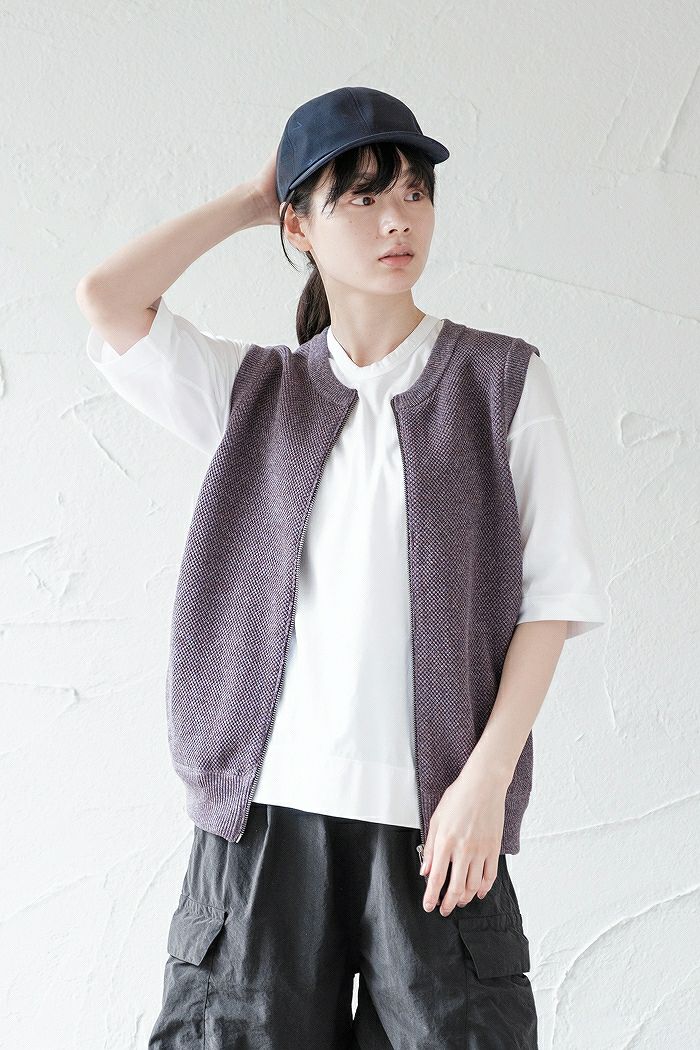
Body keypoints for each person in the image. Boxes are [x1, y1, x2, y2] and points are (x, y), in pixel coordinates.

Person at [77, 87, 608, 1049]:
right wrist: (254, 200)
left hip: (439, 824)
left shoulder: (500, 380)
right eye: (361, 197)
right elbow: (109, 300)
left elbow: (553, 597)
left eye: (414, 192)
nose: (398, 219)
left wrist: (485, 783)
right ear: (301, 225)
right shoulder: (254, 393)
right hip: (263, 825)